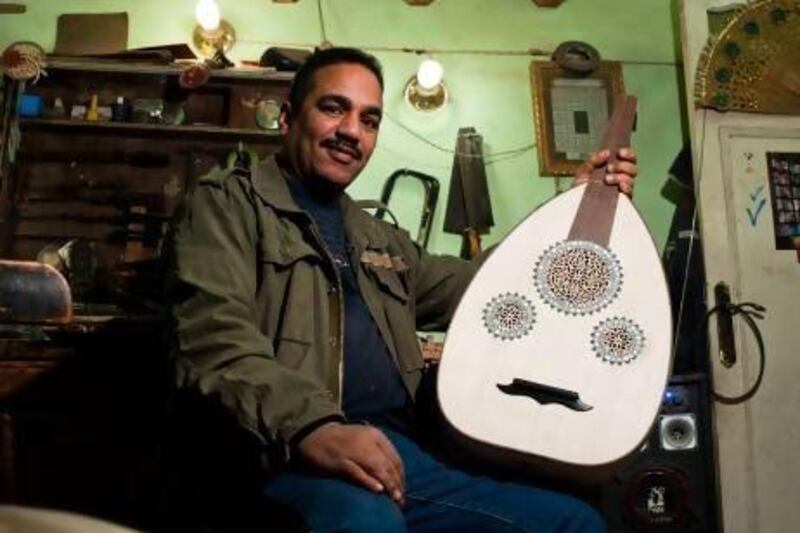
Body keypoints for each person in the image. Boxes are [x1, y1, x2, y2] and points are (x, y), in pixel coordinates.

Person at [166, 47, 637, 532]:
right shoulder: (227, 205)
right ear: (288, 118)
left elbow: (485, 287)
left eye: (369, 120)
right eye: (334, 108)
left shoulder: (378, 237)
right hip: (281, 451)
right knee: (369, 522)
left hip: (397, 452)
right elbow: (215, 343)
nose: (352, 131)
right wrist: (315, 427)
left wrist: (573, 205)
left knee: (574, 522)